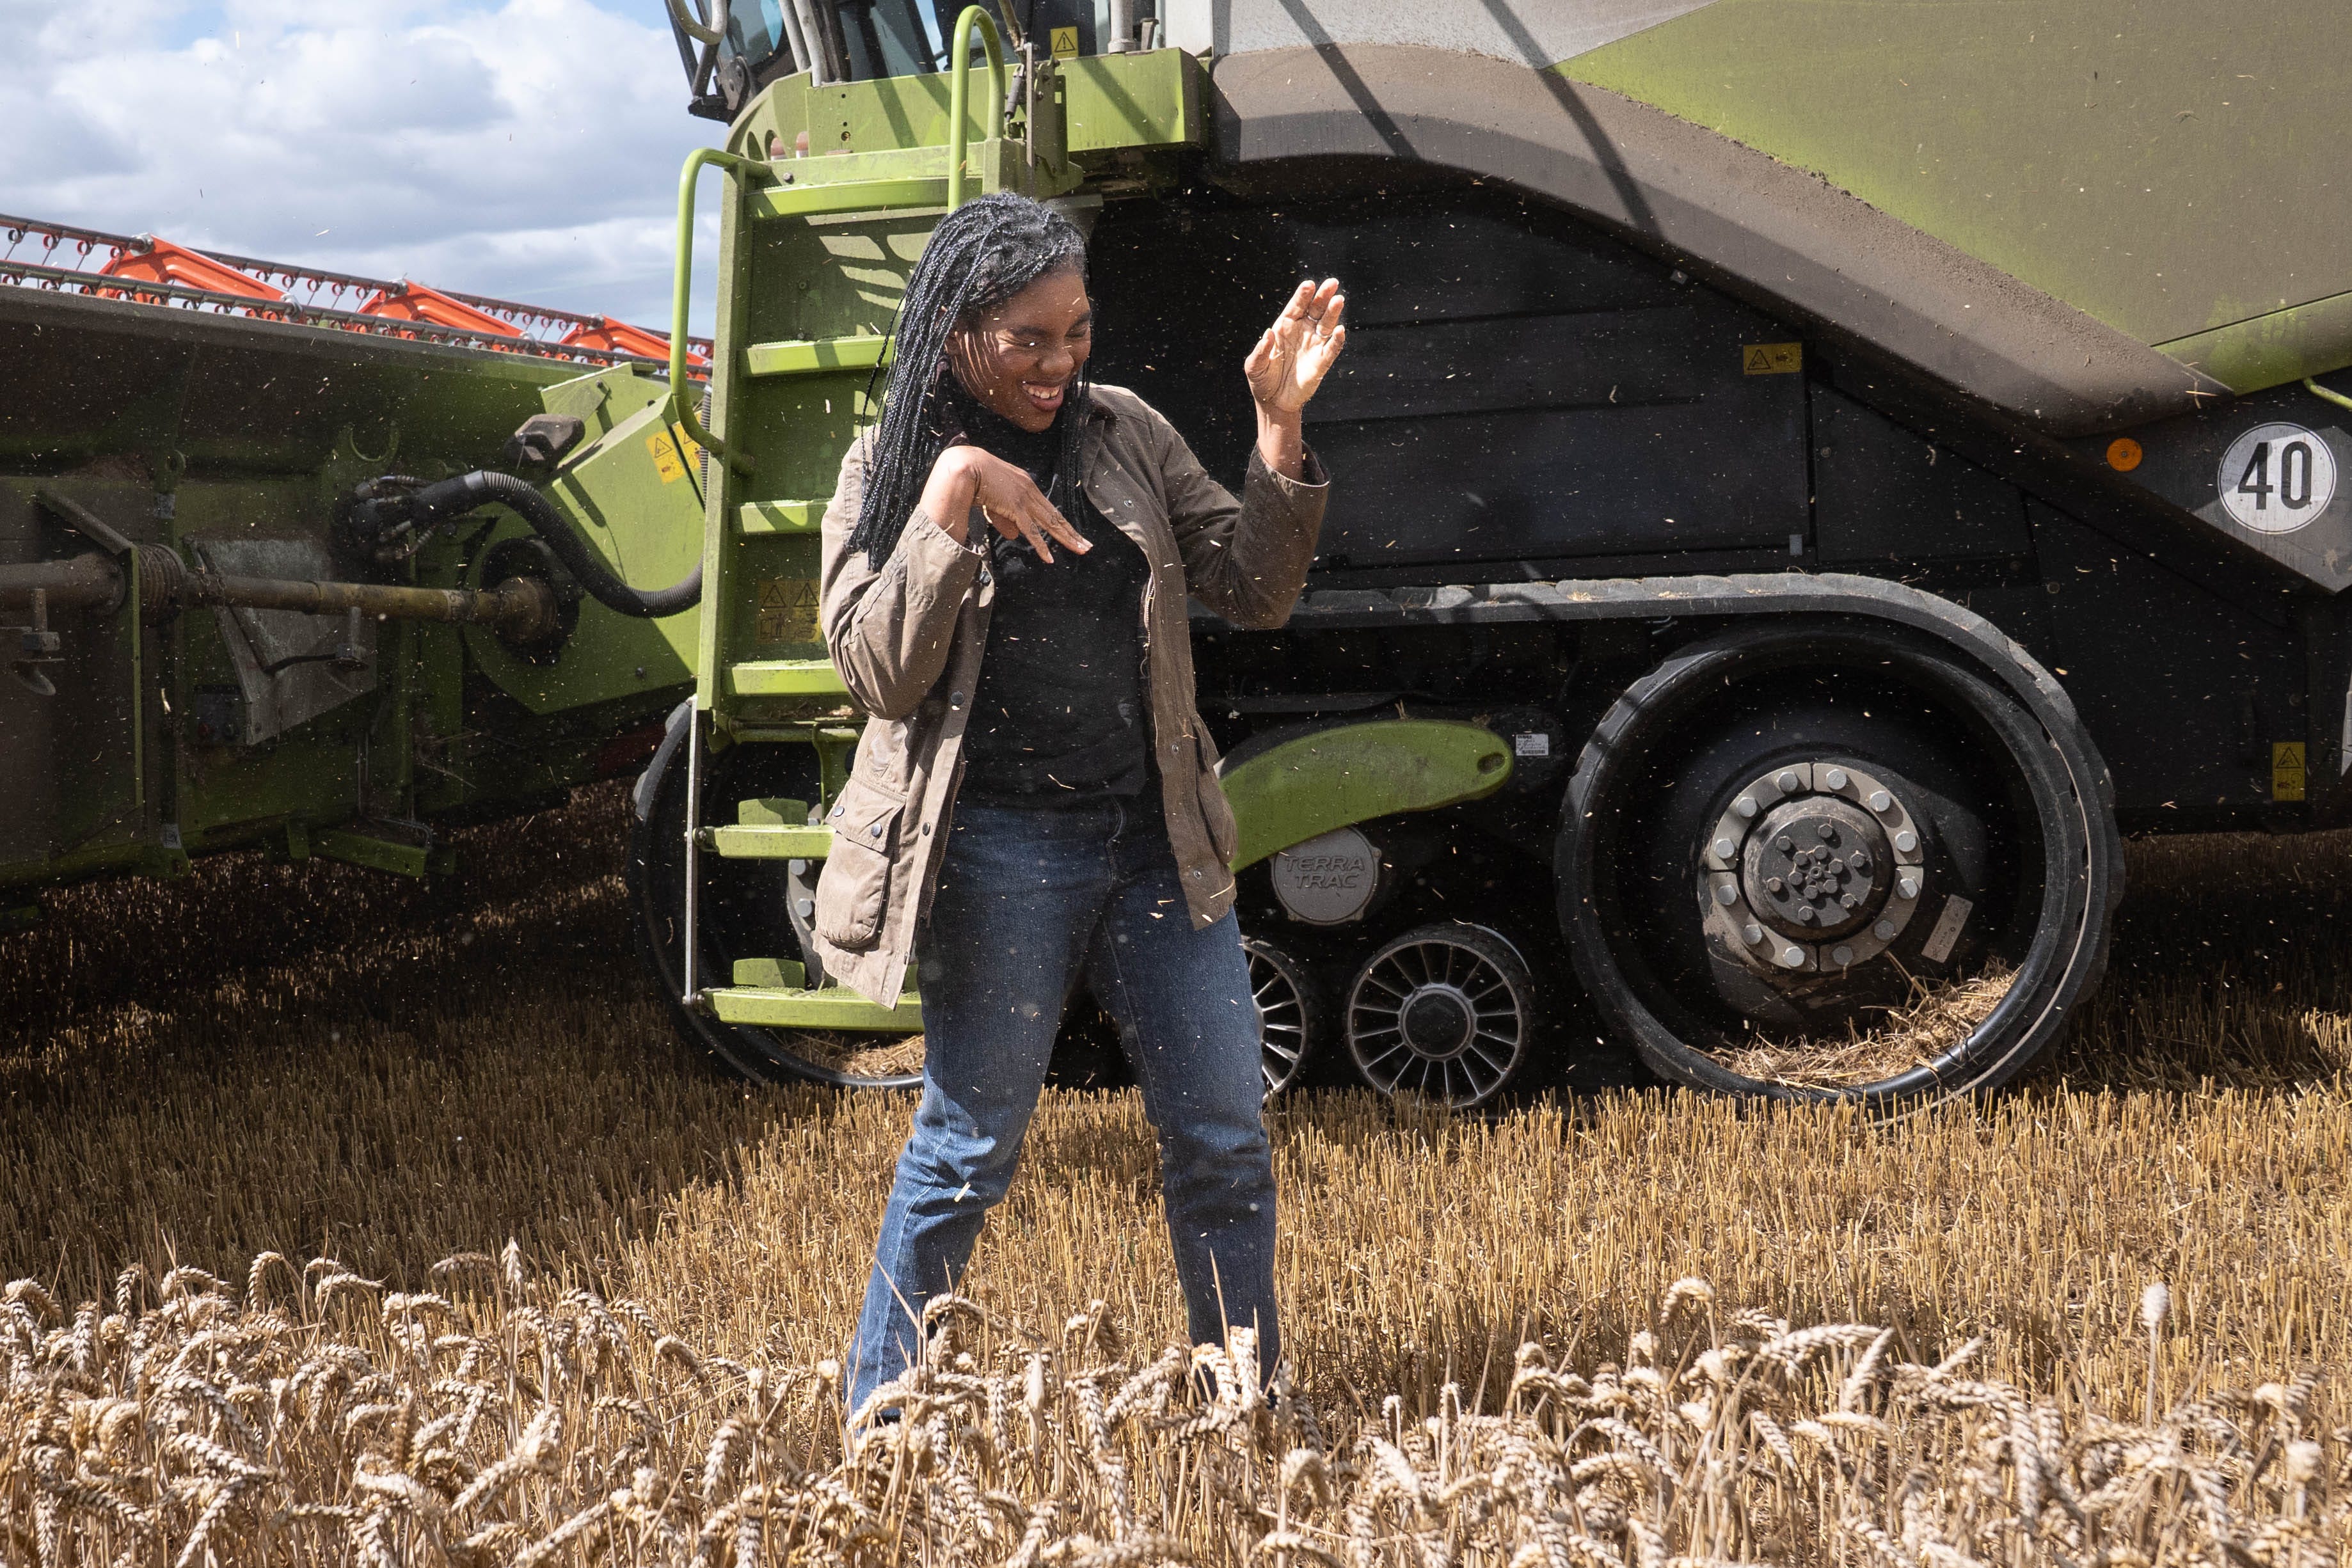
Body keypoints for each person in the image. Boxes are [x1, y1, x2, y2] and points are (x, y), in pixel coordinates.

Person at [810, 191, 1346, 1416]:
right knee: (968, 1152)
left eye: (1078, 333)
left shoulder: (1129, 435)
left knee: (1223, 1141)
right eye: (1029, 339)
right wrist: (952, 496)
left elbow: (1253, 587)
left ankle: (1243, 1396)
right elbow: (877, 670)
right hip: (998, 852)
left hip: (1157, 844)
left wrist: (1278, 431)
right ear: (956, 332)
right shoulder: (888, 468)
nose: (1061, 364)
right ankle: (881, 1410)